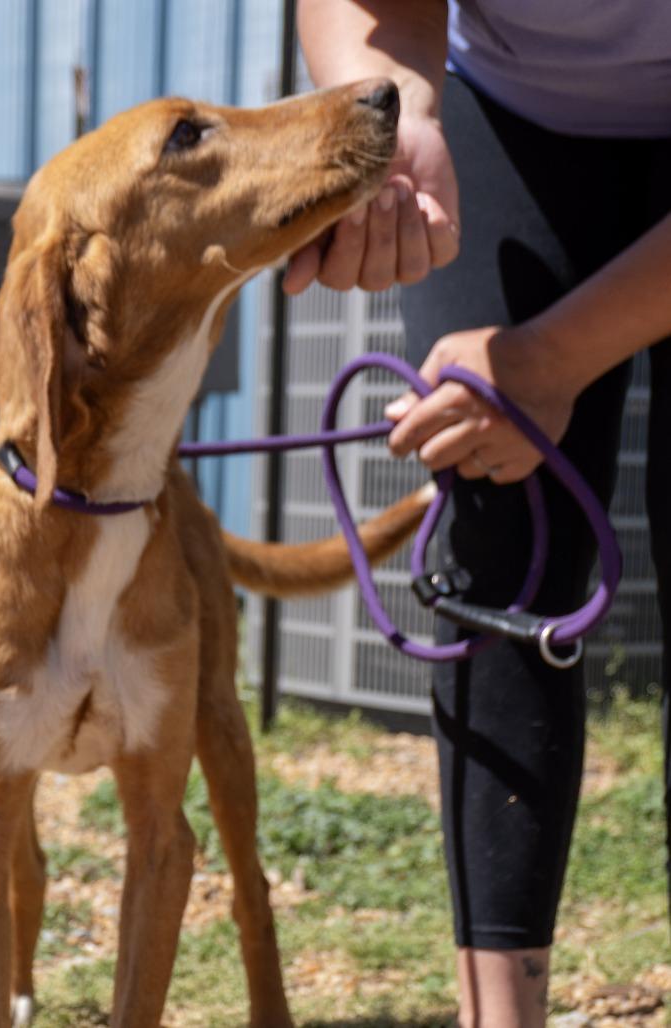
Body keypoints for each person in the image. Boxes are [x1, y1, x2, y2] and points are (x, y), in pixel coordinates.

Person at [289, 2, 671, 1025]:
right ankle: (497, 1011)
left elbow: (547, 362)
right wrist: (391, 114)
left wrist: (547, 358)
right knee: (497, 532)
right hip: (510, 114)